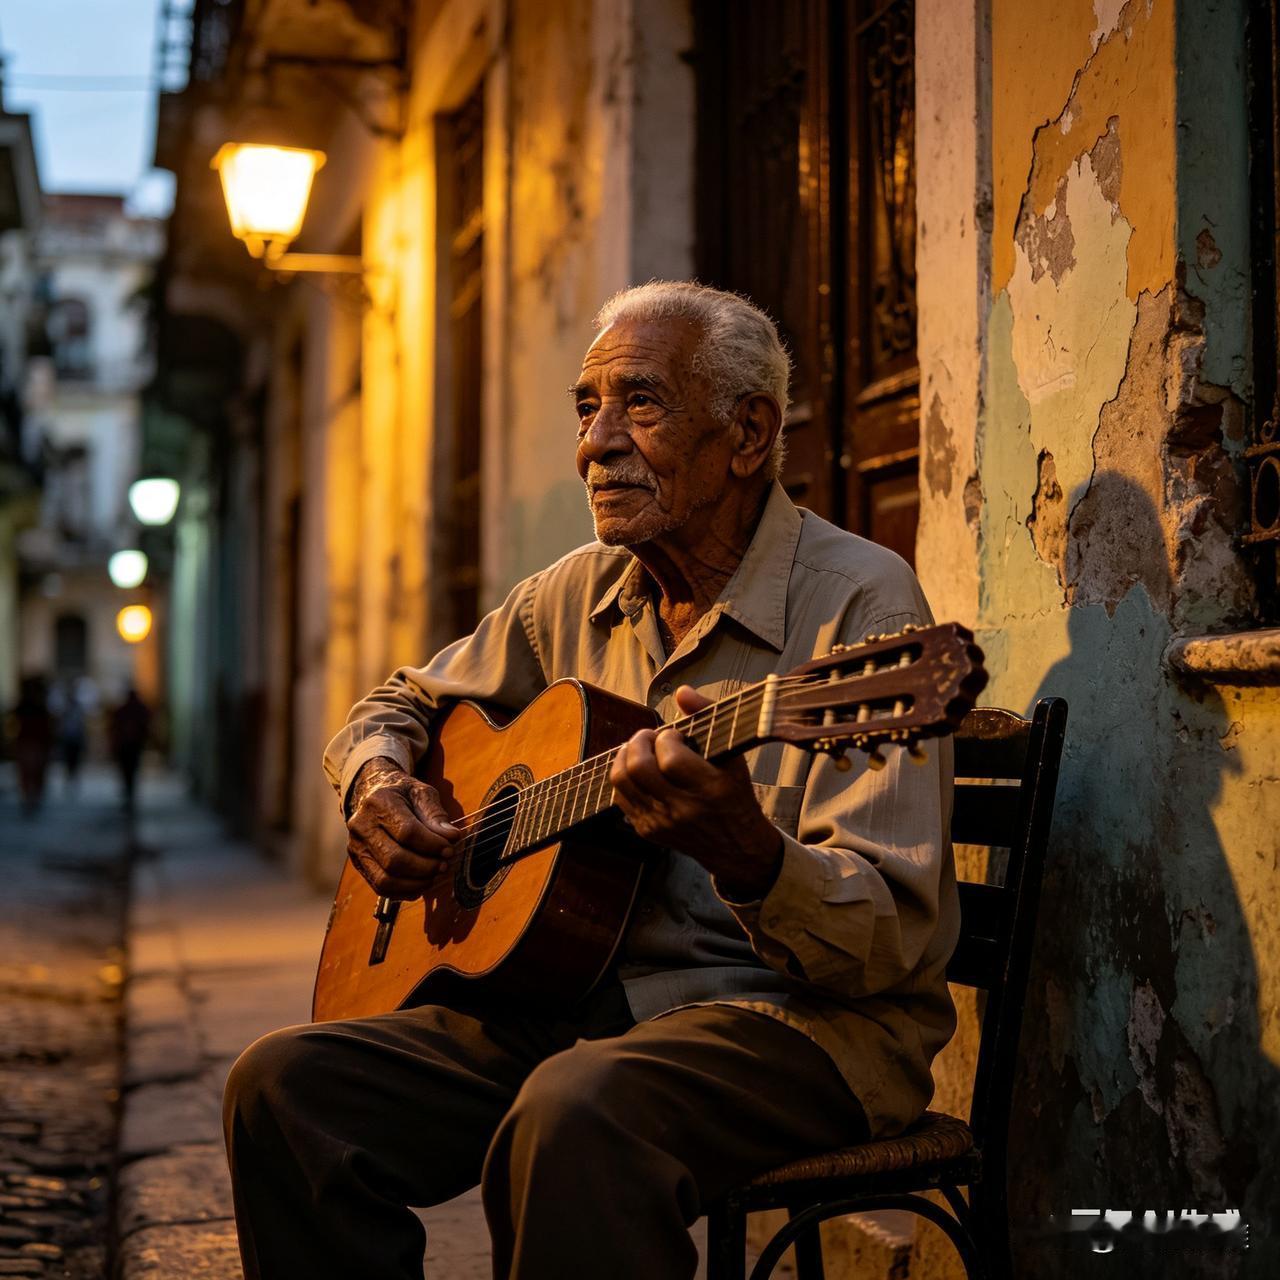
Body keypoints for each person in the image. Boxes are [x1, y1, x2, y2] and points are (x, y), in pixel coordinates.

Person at [223, 282, 959, 1280]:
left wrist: (748, 854)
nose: (594, 445)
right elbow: (396, 704)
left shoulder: (862, 606)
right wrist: (379, 783)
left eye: (638, 403)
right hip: (574, 1007)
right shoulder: (573, 592)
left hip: (796, 1025)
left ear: (748, 435)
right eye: (585, 407)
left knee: (573, 1112)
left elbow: (888, 942)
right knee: (284, 1087)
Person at [12, 675, 54, 817]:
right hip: (29, 742)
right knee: (30, 772)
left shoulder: (39, 706)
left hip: (34, 742)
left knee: (34, 772)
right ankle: (30, 798)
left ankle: (32, 797)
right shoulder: (28, 706)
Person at [108, 687, 151, 812]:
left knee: (128, 771)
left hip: (130, 747)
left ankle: (129, 794)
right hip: (130, 747)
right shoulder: (134, 710)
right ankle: (129, 794)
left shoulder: (126, 710)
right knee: (129, 771)